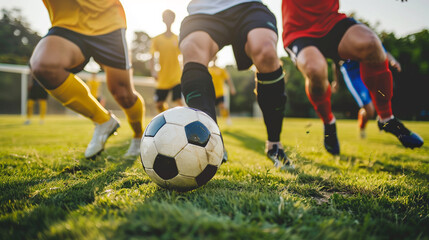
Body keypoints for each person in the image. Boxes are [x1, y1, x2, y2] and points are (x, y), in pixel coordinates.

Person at [281, 0, 423, 154]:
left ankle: (386, 118)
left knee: (371, 44)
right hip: (299, 29)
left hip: (331, 21)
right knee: (315, 69)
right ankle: (329, 123)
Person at [179, 0, 290, 168]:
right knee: (192, 48)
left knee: (265, 50)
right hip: (203, 9)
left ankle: (274, 143)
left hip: (248, 6)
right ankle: (211, 142)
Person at [29, 0, 145, 158]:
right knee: (44, 66)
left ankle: (139, 137)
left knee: (123, 94)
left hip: (106, 20)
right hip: (66, 22)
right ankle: (103, 121)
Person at [331, 52, 402, 139]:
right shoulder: (344, 40)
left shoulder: (370, 38)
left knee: (383, 96)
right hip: (353, 74)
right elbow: (335, 61)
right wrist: (336, 81)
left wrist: (393, 61)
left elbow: (382, 50)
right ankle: (362, 127)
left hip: (369, 70)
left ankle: (383, 118)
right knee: (369, 111)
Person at [150, 9, 183, 113]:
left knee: (179, 102)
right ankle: (167, 120)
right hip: (163, 77)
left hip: (176, 76)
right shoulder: (157, 39)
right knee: (159, 105)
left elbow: (184, 56)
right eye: (166, 17)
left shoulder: (178, 39)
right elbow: (152, 56)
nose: (168, 19)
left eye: (170, 17)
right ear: (163, 19)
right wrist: (153, 71)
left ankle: (182, 122)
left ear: (173, 20)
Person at [208, 55, 236, 124]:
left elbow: (228, 79)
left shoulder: (221, 70)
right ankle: (210, 122)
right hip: (210, 92)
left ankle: (227, 119)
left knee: (222, 106)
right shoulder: (208, 69)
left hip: (220, 92)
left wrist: (232, 88)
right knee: (210, 108)